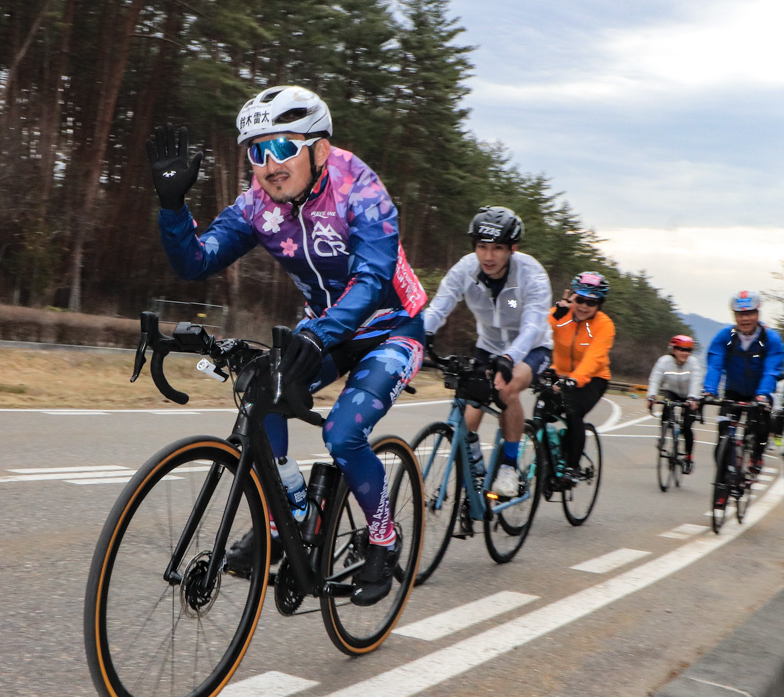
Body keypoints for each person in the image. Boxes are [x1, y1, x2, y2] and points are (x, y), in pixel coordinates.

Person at [145, 85, 428, 606]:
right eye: (257, 151)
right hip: (324, 329)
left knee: (344, 436)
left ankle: (384, 538)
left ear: (319, 148)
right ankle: (289, 517)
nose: (269, 164)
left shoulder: (359, 187)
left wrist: (318, 332)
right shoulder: (257, 205)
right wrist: (171, 206)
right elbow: (195, 262)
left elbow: (371, 280)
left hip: (390, 327)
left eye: (282, 147)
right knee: (258, 390)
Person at [421, 206, 553, 501]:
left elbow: (532, 326)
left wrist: (510, 358)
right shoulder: (465, 269)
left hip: (531, 347)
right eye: (482, 247)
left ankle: (508, 467)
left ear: (512, 249)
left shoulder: (531, 275)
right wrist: (417, 338)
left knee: (506, 389)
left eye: (497, 249)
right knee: (469, 409)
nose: (488, 256)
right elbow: (439, 307)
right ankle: (474, 475)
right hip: (488, 347)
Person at [701, 290, 784, 508]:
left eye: (749, 313)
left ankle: (756, 455)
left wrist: (763, 394)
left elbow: (771, 370)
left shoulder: (771, 339)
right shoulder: (725, 337)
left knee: (761, 425)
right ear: (734, 316)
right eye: (740, 314)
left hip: (760, 392)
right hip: (733, 391)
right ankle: (725, 485)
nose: (745, 318)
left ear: (757, 313)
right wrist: (709, 390)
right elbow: (715, 364)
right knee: (722, 442)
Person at [548, 272, 615, 480]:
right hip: (559, 371)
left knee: (573, 411)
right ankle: (545, 459)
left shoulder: (604, 325)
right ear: (573, 297)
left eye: (591, 302)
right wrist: (556, 313)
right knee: (543, 412)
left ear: (599, 305)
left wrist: (574, 380)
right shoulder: (561, 315)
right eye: (580, 299)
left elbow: (594, 358)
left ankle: (572, 466)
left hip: (593, 377)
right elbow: (538, 333)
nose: (584, 306)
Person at [646, 334, 703, 474]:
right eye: (681, 349)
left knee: (687, 427)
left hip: (690, 395)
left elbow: (696, 381)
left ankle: (689, 457)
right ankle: (662, 435)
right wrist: (651, 396)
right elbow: (655, 378)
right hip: (672, 391)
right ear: (673, 349)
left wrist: (693, 399)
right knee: (667, 406)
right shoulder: (664, 362)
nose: (685, 353)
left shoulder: (694, 363)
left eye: (688, 350)